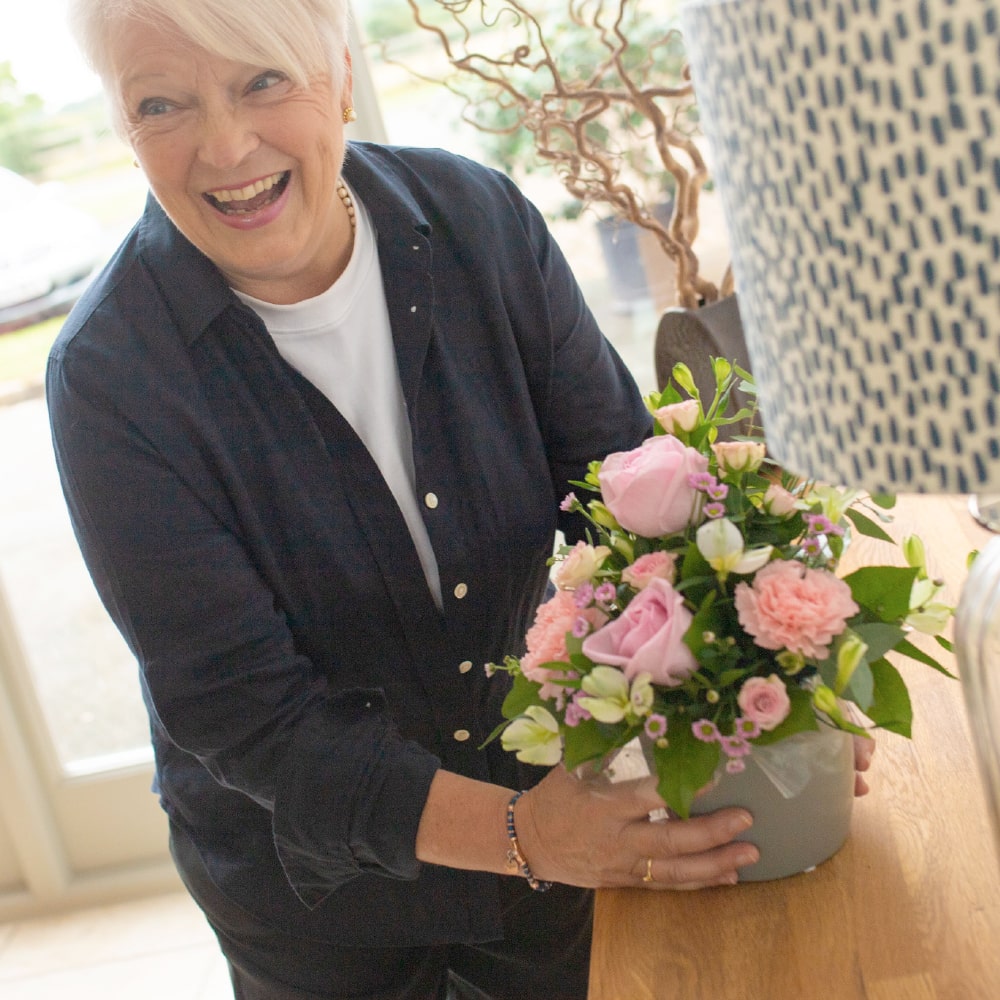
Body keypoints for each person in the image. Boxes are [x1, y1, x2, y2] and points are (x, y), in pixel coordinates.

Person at [48, 2, 872, 997]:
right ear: (122, 125)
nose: (225, 145)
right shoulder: (109, 375)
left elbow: (627, 504)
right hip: (318, 901)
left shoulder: (477, 221)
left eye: (263, 80)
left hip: (560, 827)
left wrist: (766, 702)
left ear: (342, 76)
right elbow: (243, 713)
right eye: (162, 104)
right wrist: (519, 833)